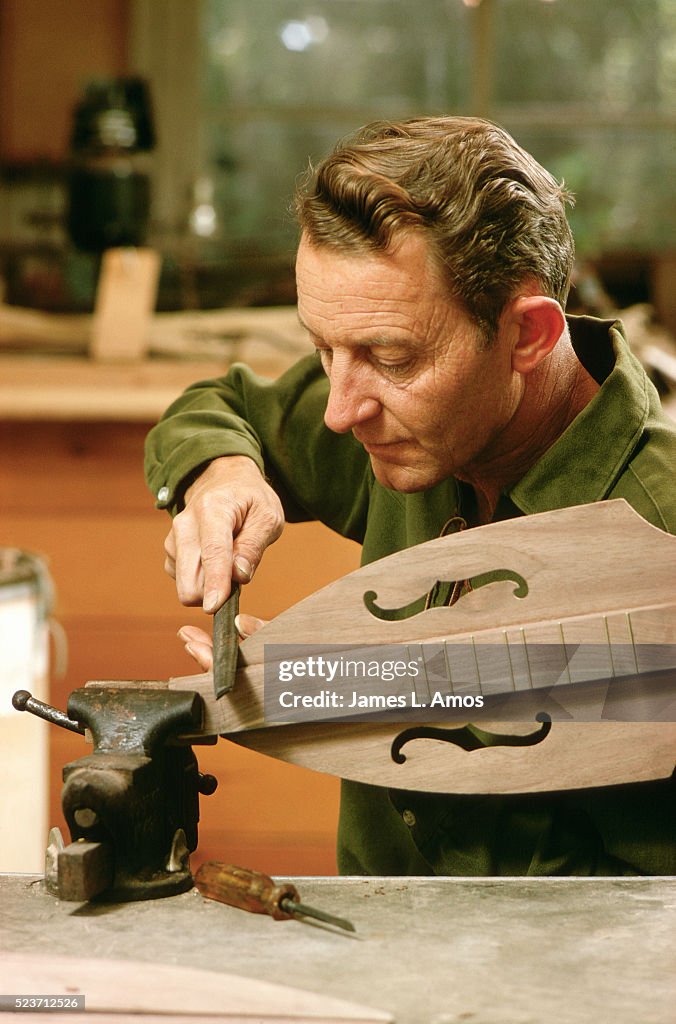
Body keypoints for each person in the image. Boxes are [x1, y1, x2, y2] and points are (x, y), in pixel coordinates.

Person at [145, 116, 676, 876]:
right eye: (323, 349)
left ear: (527, 335)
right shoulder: (398, 418)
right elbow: (220, 407)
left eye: (391, 357)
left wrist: (326, 685)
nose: (340, 409)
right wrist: (219, 472)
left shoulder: (655, 538)